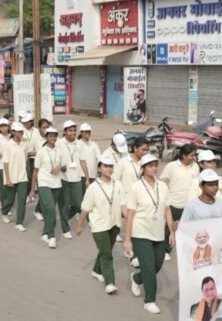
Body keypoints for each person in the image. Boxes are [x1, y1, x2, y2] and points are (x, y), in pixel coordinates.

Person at [124, 154, 175, 315]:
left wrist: (171, 231)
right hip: (141, 232)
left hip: (158, 232)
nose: (154, 168)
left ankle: (136, 278)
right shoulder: (136, 187)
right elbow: (130, 214)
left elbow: (167, 209)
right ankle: (150, 301)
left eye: (155, 165)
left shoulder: (163, 186)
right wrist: (128, 239)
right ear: (143, 168)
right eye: (150, 165)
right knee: (148, 266)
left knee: (158, 264)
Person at [76, 155, 125, 295]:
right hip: (99, 226)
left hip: (114, 223)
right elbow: (85, 208)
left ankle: (96, 270)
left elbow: (122, 205)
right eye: (105, 166)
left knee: (106, 249)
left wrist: (131, 220)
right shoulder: (93, 188)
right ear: (99, 168)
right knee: (108, 255)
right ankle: (110, 283)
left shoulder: (118, 184)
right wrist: (79, 224)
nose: (109, 169)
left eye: (111, 167)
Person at [30, 125, 68, 248]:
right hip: (44, 182)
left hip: (56, 183)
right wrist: (32, 190)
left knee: (48, 210)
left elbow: (65, 167)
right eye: (50, 136)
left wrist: (60, 168)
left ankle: (45, 232)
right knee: (51, 208)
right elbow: (35, 171)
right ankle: (52, 236)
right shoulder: (41, 152)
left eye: (55, 136)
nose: (53, 138)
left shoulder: (60, 151)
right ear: (46, 137)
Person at [160, 143, 200, 258]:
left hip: (190, 204)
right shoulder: (172, 166)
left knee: (187, 228)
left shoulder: (195, 167)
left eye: (195, 155)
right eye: (192, 155)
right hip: (174, 203)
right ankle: (165, 250)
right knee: (170, 228)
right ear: (183, 155)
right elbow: (162, 181)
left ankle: (187, 250)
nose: (194, 157)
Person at [57, 119, 87, 237]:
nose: (73, 133)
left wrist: (88, 178)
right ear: (64, 132)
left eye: (74, 130)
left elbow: (83, 161)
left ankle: (65, 217)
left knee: (78, 204)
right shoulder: (59, 143)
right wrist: (60, 167)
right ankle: (65, 229)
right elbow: (55, 158)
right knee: (64, 205)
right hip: (63, 178)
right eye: (70, 131)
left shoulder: (79, 144)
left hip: (76, 178)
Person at [3, 121, 30, 231]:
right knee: (10, 200)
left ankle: (19, 222)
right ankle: (4, 212)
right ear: (13, 132)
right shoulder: (8, 145)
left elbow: (26, 157)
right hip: (11, 177)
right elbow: (5, 163)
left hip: (22, 177)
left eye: (22, 132)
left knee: (22, 200)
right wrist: (8, 178)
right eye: (19, 132)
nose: (21, 134)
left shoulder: (25, 144)